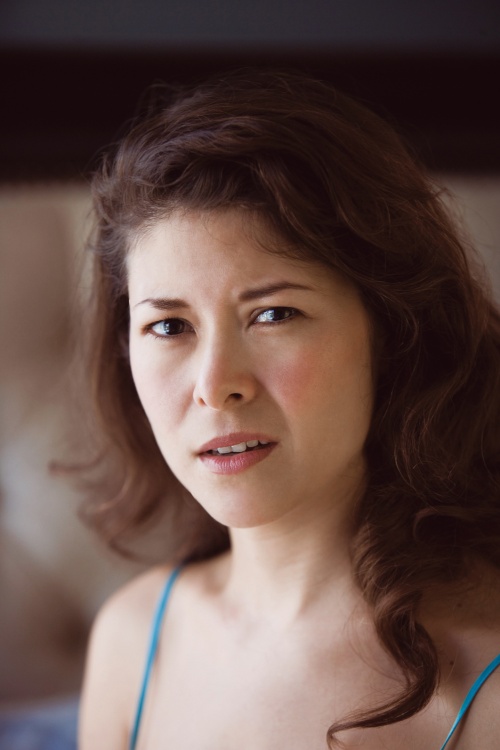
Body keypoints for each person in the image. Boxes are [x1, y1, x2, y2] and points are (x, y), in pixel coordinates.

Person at [77, 68, 500, 749]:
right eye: (169, 326)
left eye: (274, 314)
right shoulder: (132, 641)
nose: (216, 385)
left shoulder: (487, 680)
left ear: (393, 334)